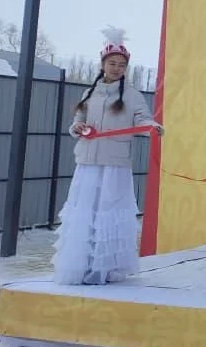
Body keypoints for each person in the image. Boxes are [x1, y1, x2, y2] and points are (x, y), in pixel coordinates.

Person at [52, 27, 163, 285]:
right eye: (112, 63)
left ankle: (105, 269)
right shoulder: (89, 93)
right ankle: (81, 266)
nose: (116, 68)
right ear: (103, 64)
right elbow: (78, 119)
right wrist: (77, 127)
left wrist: (152, 127)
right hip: (88, 164)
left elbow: (143, 119)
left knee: (109, 213)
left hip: (115, 164)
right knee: (86, 213)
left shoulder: (132, 95)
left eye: (122, 65)